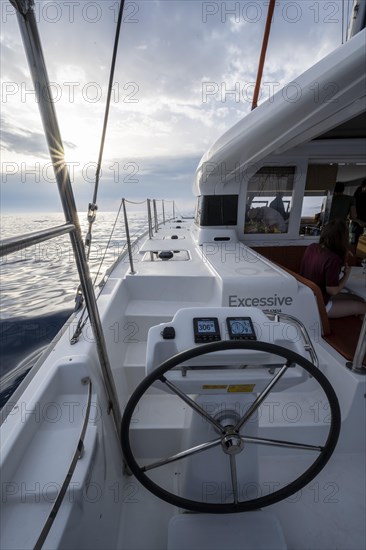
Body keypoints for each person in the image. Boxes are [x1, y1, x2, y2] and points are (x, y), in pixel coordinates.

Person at [300, 219, 366, 318]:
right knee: (363, 305)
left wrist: (342, 254)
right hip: (320, 306)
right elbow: (333, 291)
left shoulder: (312, 247)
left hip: (306, 299)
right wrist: (347, 275)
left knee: (356, 298)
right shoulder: (333, 259)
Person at [350, 179, 366, 246]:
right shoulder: (357, 193)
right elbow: (351, 210)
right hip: (356, 222)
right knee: (353, 242)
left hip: (361, 221)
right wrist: (358, 220)